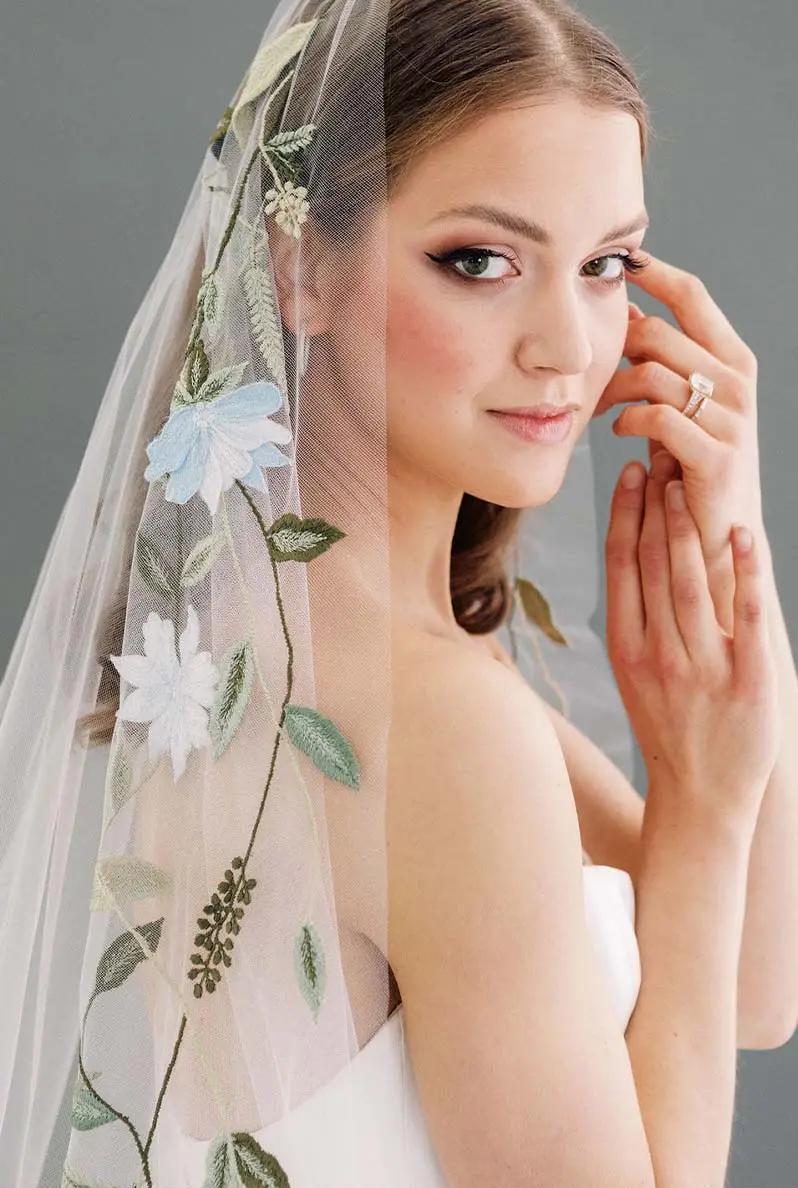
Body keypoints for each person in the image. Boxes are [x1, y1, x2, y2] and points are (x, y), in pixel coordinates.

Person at [0, 0, 785, 1184]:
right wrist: (710, 807)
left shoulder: (298, 655)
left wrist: (734, 541)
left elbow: (749, 991)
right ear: (299, 267)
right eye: (480, 260)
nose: (569, 345)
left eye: (607, 264)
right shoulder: (438, 727)